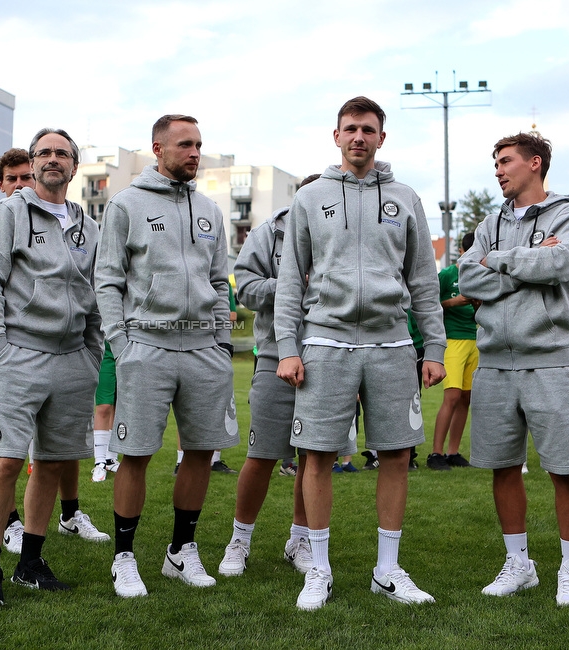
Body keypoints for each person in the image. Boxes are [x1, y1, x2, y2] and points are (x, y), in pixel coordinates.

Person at [273, 97, 446, 610]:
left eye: (368, 130)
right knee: (318, 456)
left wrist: (432, 346)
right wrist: (288, 346)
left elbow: (423, 280)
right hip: (325, 341)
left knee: (396, 455)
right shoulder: (310, 198)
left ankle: (387, 570)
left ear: (381, 138)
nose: (358, 138)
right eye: (350, 129)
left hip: (393, 344)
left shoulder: (405, 197)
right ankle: (318, 570)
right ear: (336, 135)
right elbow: (289, 281)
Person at [95, 114, 237, 598]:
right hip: (146, 346)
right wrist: (122, 344)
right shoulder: (125, 204)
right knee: (135, 454)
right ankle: (124, 557)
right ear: (158, 148)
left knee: (199, 452)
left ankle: (181, 551)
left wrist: (221, 341)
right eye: (185, 145)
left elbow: (221, 282)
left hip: (204, 349)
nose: (195, 153)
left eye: (199, 144)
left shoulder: (210, 210)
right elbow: (108, 279)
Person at [0, 129, 106, 607]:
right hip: (19, 355)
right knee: (6, 461)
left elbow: (96, 295)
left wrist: (92, 353)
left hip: (73, 360)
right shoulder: (9, 212)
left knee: (50, 465)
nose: (53, 160)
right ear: (33, 161)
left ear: (74, 165)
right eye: (44, 152)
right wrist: (0, 348)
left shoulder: (89, 227)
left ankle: (30, 561)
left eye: (62, 154)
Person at [459, 132, 569, 608]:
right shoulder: (487, 223)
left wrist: (499, 264)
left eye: (506, 161)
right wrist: (522, 267)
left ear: (535, 163)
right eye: (495, 162)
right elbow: (466, 275)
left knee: (565, 470)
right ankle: (520, 565)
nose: (498, 170)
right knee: (502, 467)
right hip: (494, 364)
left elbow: (561, 262)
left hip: (551, 362)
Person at [217, 174, 321, 579]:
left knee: (315, 457)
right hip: (275, 358)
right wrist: (296, 285)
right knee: (261, 456)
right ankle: (239, 540)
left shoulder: (350, 228)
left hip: (331, 360)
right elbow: (245, 290)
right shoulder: (268, 233)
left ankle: (300, 540)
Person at [428, 233, 479, 471]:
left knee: (466, 398)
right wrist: (453, 302)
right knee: (452, 396)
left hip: (473, 339)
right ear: (461, 252)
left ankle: (453, 452)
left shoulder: (480, 275)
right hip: (452, 340)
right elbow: (428, 305)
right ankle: (435, 453)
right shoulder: (447, 275)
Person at [91, 342, 121, 482]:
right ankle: (99, 462)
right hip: (105, 349)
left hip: (125, 349)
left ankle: (111, 459)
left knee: (118, 406)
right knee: (103, 407)